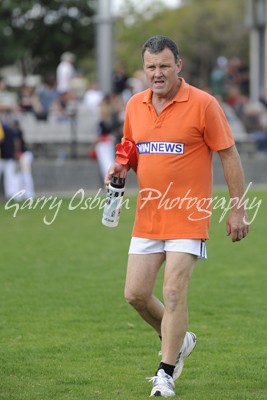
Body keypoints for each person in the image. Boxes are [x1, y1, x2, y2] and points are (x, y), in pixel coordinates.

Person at [105, 35, 249, 398]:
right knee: (135, 294)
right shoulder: (135, 105)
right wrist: (120, 167)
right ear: (144, 69)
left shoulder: (204, 104)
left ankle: (165, 373)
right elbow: (131, 150)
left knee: (172, 291)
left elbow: (229, 156)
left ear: (178, 66)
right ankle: (179, 339)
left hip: (189, 213)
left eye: (164, 66)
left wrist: (238, 207)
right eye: (151, 67)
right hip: (148, 214)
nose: (158, 73)